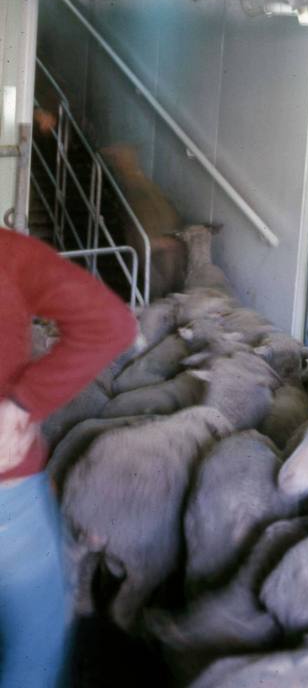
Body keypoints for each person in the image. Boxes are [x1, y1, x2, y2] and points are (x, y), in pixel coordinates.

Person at [0, 226, 137, 687]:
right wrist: (23, 403)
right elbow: (113, 323)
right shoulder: (8, 252)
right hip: (6, 490)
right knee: (32, 650)